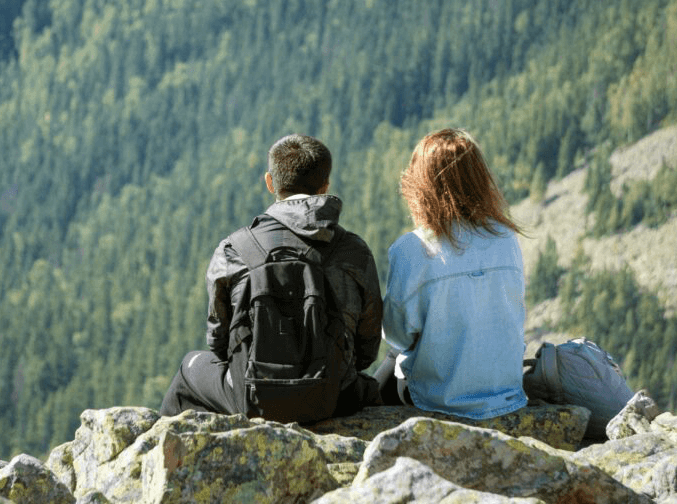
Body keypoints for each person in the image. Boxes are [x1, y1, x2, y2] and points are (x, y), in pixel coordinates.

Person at [160, 134, 383, 421]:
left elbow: (218, 342)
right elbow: (367, 350)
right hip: (334, 397)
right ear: (325, 186)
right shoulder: (354, 251)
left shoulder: (234, 250)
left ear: (270, 182)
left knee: (188, 368)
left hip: (252, 398)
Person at [374, 128, 528, 419]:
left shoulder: (412, 248)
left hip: (437, 400)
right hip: (506, 394)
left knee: (391, 362)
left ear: (421, 186)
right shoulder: (507, 238)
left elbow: (397, 335)